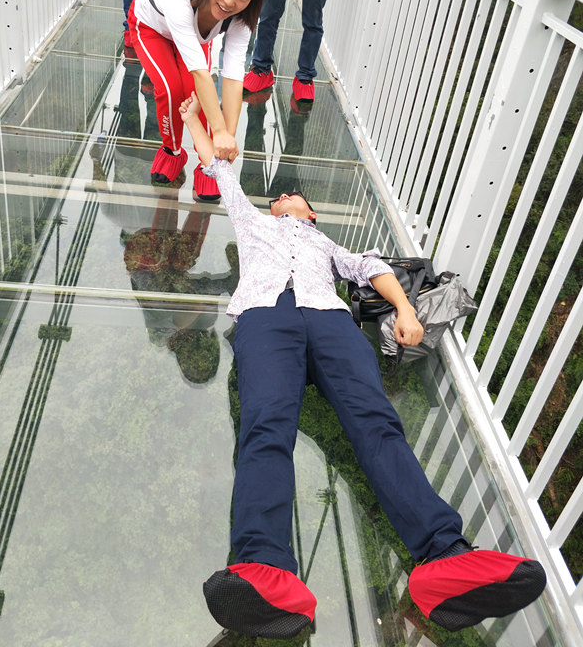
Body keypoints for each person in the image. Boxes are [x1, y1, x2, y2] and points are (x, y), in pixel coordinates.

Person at [178, 91, 547, 639]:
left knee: (376, 423)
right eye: (278, 197)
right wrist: (193, 121)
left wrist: (405, 310)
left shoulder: (328, 244)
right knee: (265, 424)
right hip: (266, 316)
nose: (282, 197)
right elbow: (219, 168)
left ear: (310, 212)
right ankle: (263, 568)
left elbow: (371, 269)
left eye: (292, 196)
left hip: (330, 321)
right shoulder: (253, 223)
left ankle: (445, 557)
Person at [127, 0, 267, 200]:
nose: (230, 2)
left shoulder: (243, 16)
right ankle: (171, 151)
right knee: (171, 88)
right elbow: (201, 73)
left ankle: (209, 166)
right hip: (151, 28)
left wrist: (226, 139)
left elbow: (233, 77)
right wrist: (220, 132)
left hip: (191, 33)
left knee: (197, 95)